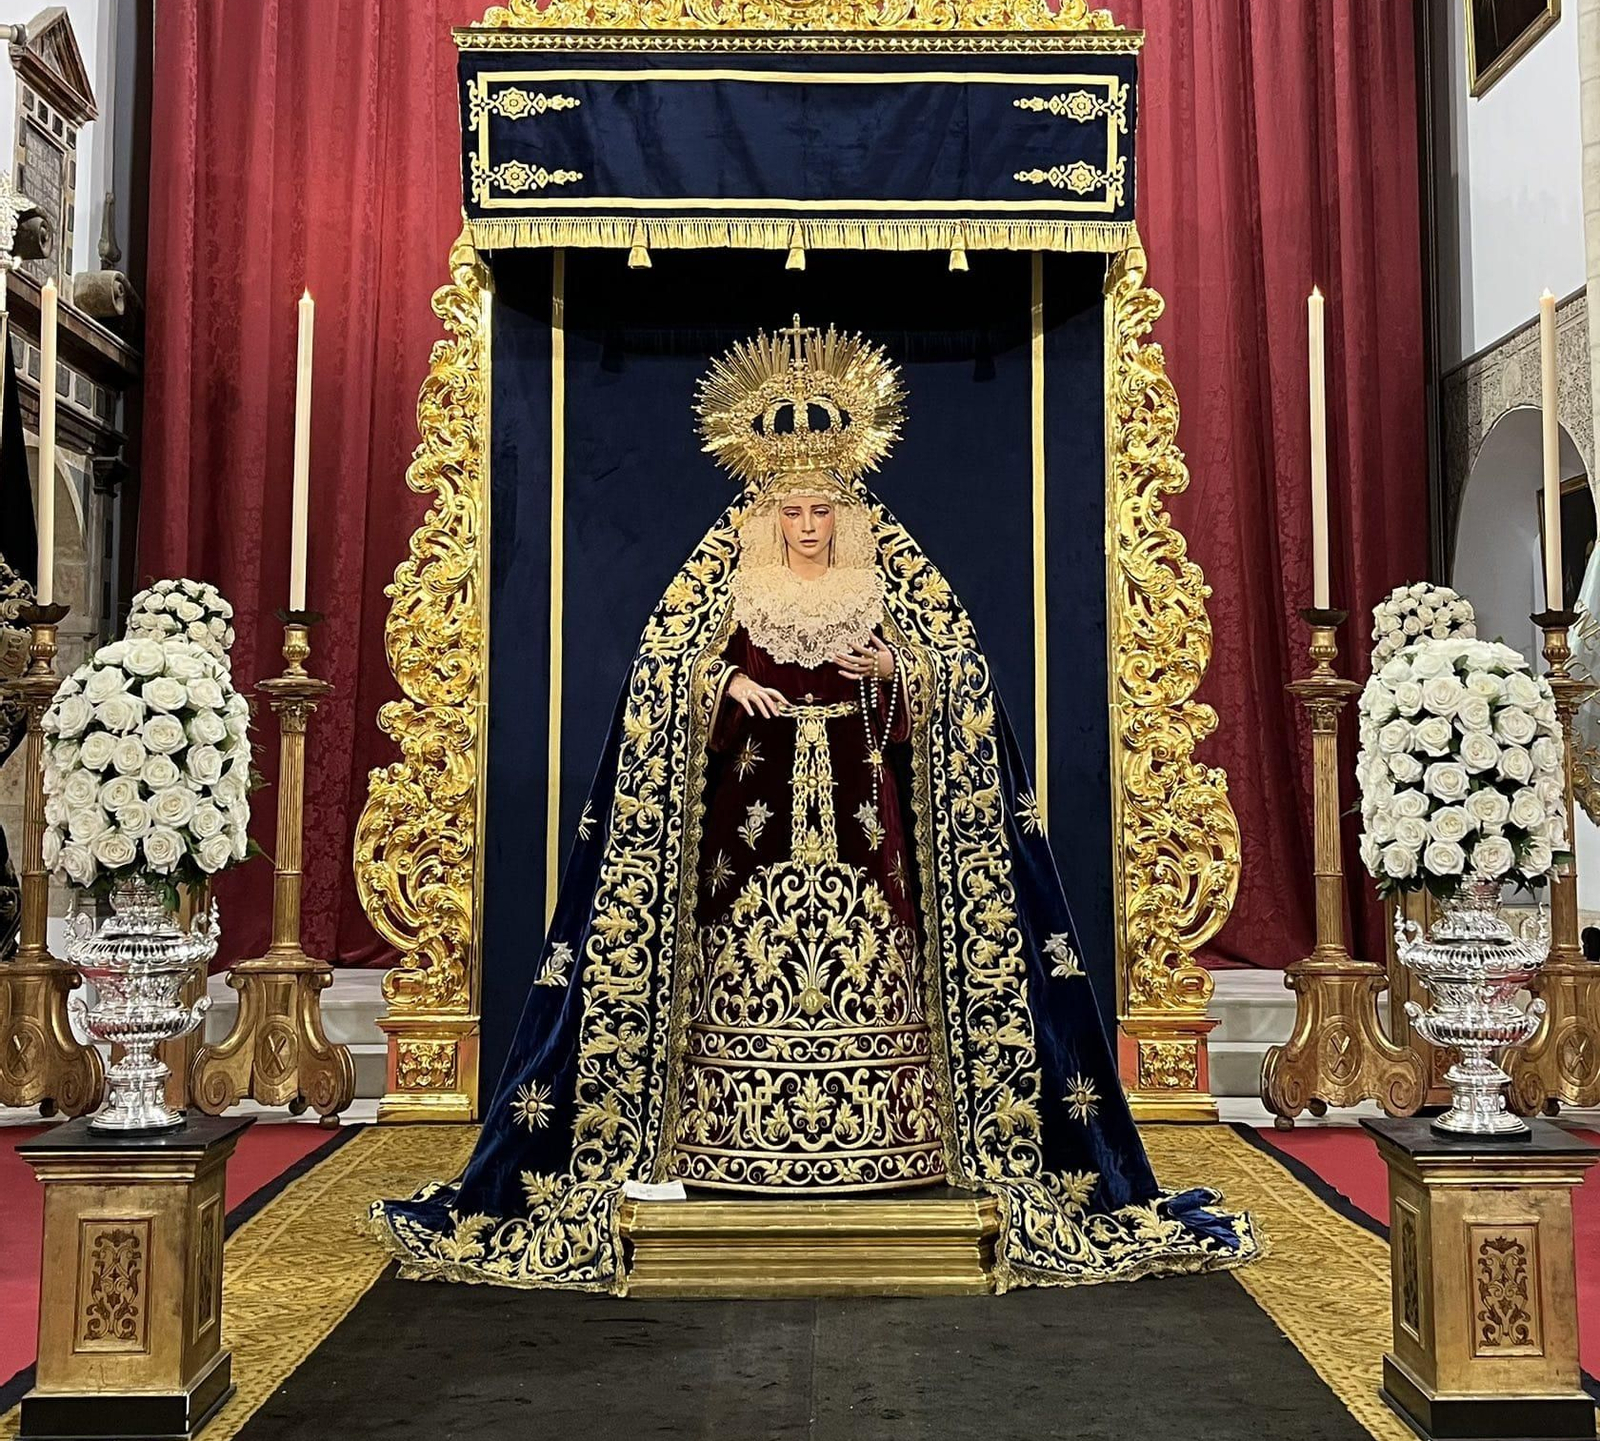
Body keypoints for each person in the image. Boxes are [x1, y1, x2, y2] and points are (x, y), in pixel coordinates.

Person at [372, 321, 1258, 1290]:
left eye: (820, 509)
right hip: (744, 827)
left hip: (867, 825)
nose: (806, 525)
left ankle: (894, 1139)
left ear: (844, 508)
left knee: (876, 951)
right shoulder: (727, 576)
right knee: (736, 952)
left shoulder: (887, 578)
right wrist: (720, 685)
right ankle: (721, 1138)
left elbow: (963, 682)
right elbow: (658, 674)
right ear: (768, 507)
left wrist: (899, 674)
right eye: (792, 509)